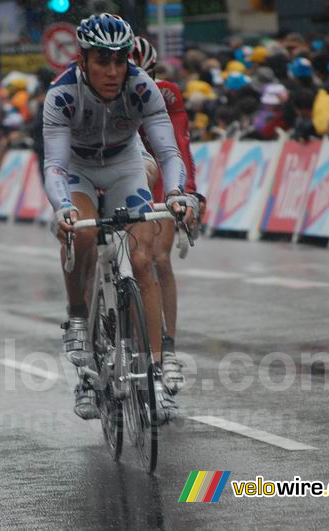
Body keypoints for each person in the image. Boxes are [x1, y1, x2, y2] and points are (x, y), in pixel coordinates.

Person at [43, 14, 195, 422]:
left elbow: (167, 152)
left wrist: (179, 194)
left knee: (143, 259)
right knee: (85, 236)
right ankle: (79, 318)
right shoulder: (61, 95)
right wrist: (64, 208)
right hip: (78, 168)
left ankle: (156, 376)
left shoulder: (142, 87)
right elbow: (55, 166)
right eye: (102, 61)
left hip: (126, 164)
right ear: (83, 59)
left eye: (120, 60)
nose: (112, 71)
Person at [131, 35, 204, 398]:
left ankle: (168, 351)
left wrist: (188, 194)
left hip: (158, 175)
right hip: (116, 171)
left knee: (157, 258)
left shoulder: (167, 94)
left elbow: (178, 148)